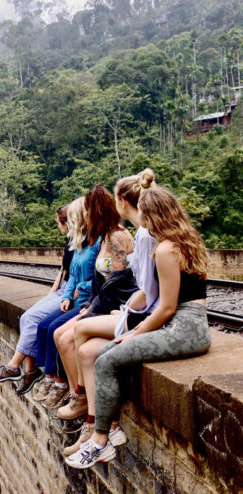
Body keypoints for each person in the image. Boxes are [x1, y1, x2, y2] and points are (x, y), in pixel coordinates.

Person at [65, 178, 211, 469]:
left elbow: (167, 307)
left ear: (153, 214)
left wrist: (135, 333)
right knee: (105, 354)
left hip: (185, 329)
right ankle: (106, 433)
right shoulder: (183, 240)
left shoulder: (167, 250)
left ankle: (99, 441)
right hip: (191, 324)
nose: (141, 220)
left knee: (107, 359)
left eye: (144, 213)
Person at [56, 172, 155, 454]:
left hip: (120, 307)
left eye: (87, 210)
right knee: (71, 340)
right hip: (108, 305)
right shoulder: (103, 239)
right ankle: (86, 410)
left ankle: (85, 403)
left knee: (74, 334)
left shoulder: (120, 238)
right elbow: (103, 281)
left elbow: (121, 283)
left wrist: (92, 310)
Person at [0, 205, 73, 393]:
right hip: (61, 290)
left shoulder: (82, 243)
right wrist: (51, 293)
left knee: (33, 319)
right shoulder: (70, 241)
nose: (58, 228)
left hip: (70, 293)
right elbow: (63, 270)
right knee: (26, 317)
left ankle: (13, 366)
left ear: (66, 223)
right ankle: (30, 372)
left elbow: (78, 276)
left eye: (58, 224)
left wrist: (65, 295)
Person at [32, 197, 99, 408]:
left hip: (88, 299)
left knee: (55, 329)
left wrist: (82, 290)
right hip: (75, 298)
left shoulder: (96, 242)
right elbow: (71, 277)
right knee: (44, 325)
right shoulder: (78, 243)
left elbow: (99, 278)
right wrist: (66, 296)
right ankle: (50, 378)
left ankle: (62, 385)